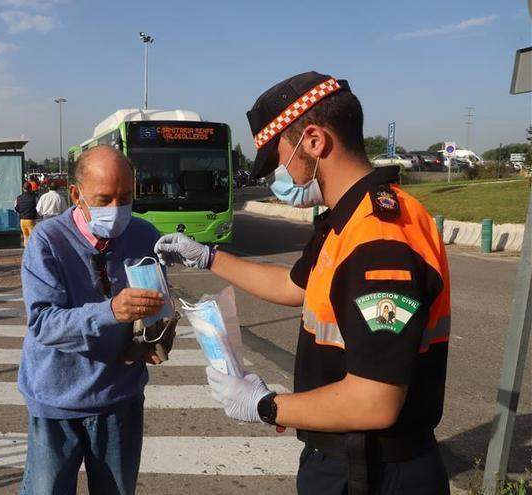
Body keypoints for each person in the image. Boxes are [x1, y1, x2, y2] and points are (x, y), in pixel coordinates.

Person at [156, 72, 451, 494]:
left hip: (372, 470)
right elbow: (296, 287)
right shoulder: (345, 219)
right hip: (343, 455)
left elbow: (375, 401)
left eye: (279, 160)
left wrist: (267, 406)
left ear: (313, 141)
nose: (279, 175)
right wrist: (209, 257)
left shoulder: (379, 241)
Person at [19, 145, 167, 494]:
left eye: (126, 197)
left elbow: (156, 310)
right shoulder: (47, 240)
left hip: (120, 398)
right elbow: (43, 323)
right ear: (77, 195)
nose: (117, 209)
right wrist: (111, 311)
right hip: (56, 400)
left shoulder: (145, 236)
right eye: (104, 198)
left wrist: (154, 337)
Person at [14, 181, 38, 247]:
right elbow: (38, 207)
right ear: (30, 188)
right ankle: (33, 252)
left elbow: (16, 208)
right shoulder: (34, 198)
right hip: (31, 220)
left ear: (23, 189)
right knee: (32, 237)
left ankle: (26, 252)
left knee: (25, 237)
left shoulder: (18, 198)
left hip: (22, 220)